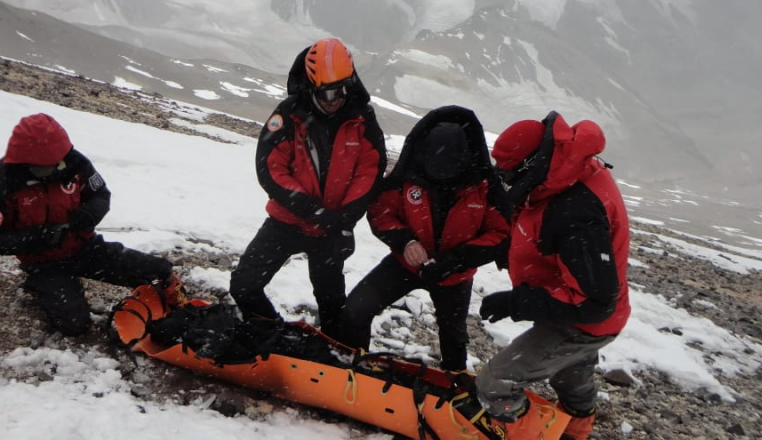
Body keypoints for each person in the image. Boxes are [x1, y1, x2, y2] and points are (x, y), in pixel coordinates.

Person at [475, 111, 630, 440]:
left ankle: (516, 431)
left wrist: (518, 303)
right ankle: (577, 428)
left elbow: (595, 302)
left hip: (584, 320)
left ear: (531, 166)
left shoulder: (575, 212)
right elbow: (540, 226)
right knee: (568, 375)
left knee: (495, 382)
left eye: (510, 174)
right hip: (573, 307)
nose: (506, 182)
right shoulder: (559, 174)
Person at [333, 105, 510, 372]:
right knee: (355, 310)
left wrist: (457, 260)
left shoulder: (484, 185)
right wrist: (405, 242)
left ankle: (452, 384)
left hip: (454, 276)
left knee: (454, 340)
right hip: (405, 265)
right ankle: (353, 368)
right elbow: (381, 212)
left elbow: (500, 234)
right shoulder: (408, 174)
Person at [0, 113, 185, 337]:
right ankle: (41, 286)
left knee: (156, 272)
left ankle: (179, 300)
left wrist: (88, 215)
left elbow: (101, 195)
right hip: (44, 264)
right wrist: (41, 237)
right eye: (47, 167)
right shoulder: (0, 181)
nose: (57, 169)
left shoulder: (74, 163)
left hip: (85, 249)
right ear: (27, 162)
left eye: (59, 163)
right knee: (74, 324)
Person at [229, 38, 386, 330]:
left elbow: (370, 170)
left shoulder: (362, 117)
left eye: (341, 90)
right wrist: (310, 209)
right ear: (311, 85)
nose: (334, 100)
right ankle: (272, 334)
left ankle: (333, 355)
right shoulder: (289, 114)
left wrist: (344, 219)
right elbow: (271, 168)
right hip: (286, 222)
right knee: (243, 286)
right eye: (326, 93)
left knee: (332, 306)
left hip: (331, 229)